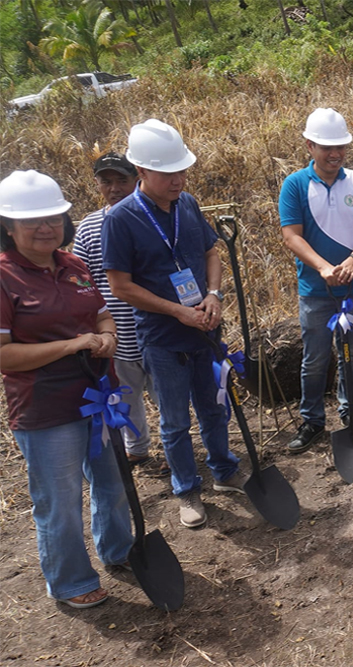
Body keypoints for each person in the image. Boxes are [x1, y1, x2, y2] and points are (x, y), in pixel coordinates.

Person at [103, 119, 244, 529]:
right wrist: (177, 310)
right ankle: (186, 489)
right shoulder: (122, 218)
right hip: (163, 338)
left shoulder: (187, 204)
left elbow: (211, 252)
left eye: (182, 170)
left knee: (214, 407)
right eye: (169, 173)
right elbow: (121, 285)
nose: (179, 179)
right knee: (176, 421)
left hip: (205, 327)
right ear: (142, 172)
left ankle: (224, 469)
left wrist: (214, 295)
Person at [0, 170, 132, 608]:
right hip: (45, 407)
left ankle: (119, 550)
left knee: (113, 485)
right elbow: (4, 354)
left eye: (53, 218)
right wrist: (71, 345)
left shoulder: (72, 264)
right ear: (8, 226)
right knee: (60, 500)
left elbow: (100, 314)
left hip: (98, 397)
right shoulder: (4, 277)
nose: (45, 228)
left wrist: (107, 334)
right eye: (33, 221)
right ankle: (71, 580)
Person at [279, 109, 353, 454]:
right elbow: (292, 236)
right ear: (310, 145)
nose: (334, 154)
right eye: (326, 147)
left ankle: (352, 412)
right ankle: (312, 421)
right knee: (316, 357)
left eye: (341, 147)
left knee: (352, 354)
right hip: (316, 291)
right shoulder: (295, 185)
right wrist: (323, 267)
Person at [73, 152, 168, 477]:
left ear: (137, 178)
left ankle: (174, 450)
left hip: (159, 328)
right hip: (117, 333)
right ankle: (137, 450)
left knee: (167, 397)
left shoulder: (156, 216)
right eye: (106, 181)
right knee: (126, 396)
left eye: (121, 180)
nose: (114, 188)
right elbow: (79, 281)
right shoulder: (88, 228)